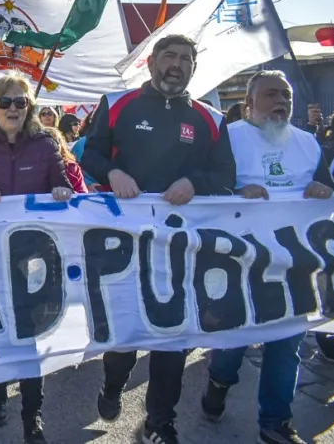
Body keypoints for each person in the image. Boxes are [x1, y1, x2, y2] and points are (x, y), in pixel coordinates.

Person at [81, 34, 236, 444]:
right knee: (126, 335)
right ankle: (113, 383)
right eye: (169, 55)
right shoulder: (116, 104)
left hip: (183, 249)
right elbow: (89, 155)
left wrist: (194, 182)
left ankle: (159, 423)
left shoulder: (211, 119)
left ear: (193, 68)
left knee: (174, 339)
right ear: (151, 63)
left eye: (186, 58)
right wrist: (111, 173)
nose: (177, 64)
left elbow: (225, 177)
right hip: (124, 245)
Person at [200, 70, 334, 444]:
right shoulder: (227, 139)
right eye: (272, 95)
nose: (281, 103)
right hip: (237, 265)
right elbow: (205, 188)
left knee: (286, 344)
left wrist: (322, 188)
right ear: (248, 104)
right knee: (231, 346)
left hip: (295, 266)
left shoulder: (309, 144)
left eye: (286, 97)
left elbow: (328, 194)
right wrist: (236, 190)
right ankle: (219, 381)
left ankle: (275, 422)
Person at [0, 74, 72, 444]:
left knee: (30, 337)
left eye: (21, 102)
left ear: (30, 107)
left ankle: (32, 415)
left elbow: (63, 182)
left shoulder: (46, 143)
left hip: (36, 257)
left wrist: (61, 189)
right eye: (5, 102)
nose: (13, 109)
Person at [47, 127, 88, 194]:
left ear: (61, 145)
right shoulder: (32, 167)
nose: (51, 147)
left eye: (55, 142)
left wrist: (70, 194)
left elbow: (82, 193)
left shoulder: (72, 167)